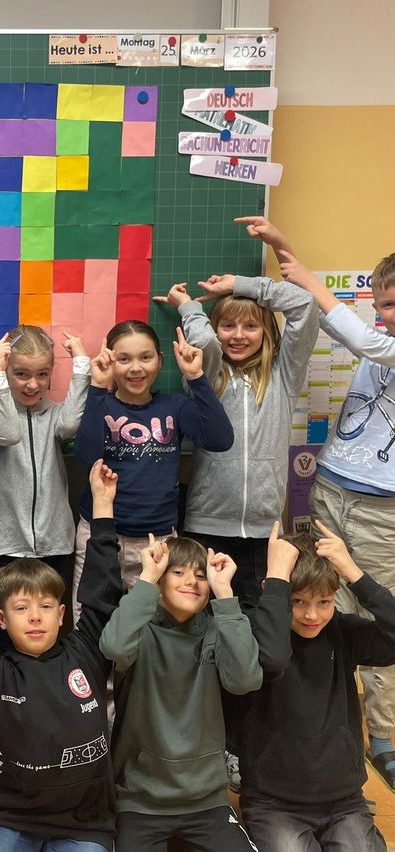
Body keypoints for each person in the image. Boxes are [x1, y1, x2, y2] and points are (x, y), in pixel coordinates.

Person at [0, 462, 123, 851]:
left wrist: (103, 506)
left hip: (83, 823)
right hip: (11, 815)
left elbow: (101, 594)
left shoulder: (86, 654)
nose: (36, 616)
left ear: (62, 614)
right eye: (22, 608)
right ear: (2, 619)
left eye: (45, 606)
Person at [154, 215, 318, 608]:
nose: (238, 336)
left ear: (266, 332)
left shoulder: (282, 376)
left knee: (255, 627)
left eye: (250, 327)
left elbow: (305, 305)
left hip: (264, 530)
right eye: (228, 326)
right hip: (207, 524)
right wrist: (190, 308)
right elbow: (206, 341)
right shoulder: (210, 373)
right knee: (202, 623)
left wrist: (240, 286)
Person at [278, 248, 395, 792]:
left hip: (380, 509)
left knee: (376, 615)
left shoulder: (382, 345)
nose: (385, 314)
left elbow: (368, 341)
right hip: (330, 486)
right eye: (381, 304)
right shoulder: (380, 341)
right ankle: (327, 725)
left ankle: (385, 740)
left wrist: (303, 273)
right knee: (322, 604)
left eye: (392, 304)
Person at [99, 534, 261, 852]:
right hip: (139, 801)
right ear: (160, 580)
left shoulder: (218, 629)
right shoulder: (139, 629)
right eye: (179, 573)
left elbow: (244, 680)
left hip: (207, 800)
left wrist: (225, 594)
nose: (192, 582)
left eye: (201, 575)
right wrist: (147, 578)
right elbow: (114, 645)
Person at [238, 521, 393, 851]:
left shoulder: (343, 632)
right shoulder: (255, 630)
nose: (312, 615)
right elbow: (272, 659)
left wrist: (354, 573)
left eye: (324, 602)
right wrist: (277, 581)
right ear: (276, 591)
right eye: (297, 602)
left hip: (343, 801)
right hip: (274, 802)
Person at [71, 322, 233, 619]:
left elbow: (220, 440)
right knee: (90, 624)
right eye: (124, 359)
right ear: (110, 361)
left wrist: (196, 377)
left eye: (145, 357)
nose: (136, 368)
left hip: (158, 542)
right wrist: (96, 386)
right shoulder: (100, 403)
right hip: (101, 535)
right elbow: (86, 455)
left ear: (160, 359)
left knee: (152, 629)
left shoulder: (175, 406)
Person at [0, 325, 90, 649]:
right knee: (5, 639)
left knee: (48, 639)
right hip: (3, 546)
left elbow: (70, 425)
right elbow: (9, 432)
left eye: (42, 374)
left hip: (53, 544)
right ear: (6, 372)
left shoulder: (54, 415)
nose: (32, 384)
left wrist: (82, 364)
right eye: (21, 374)